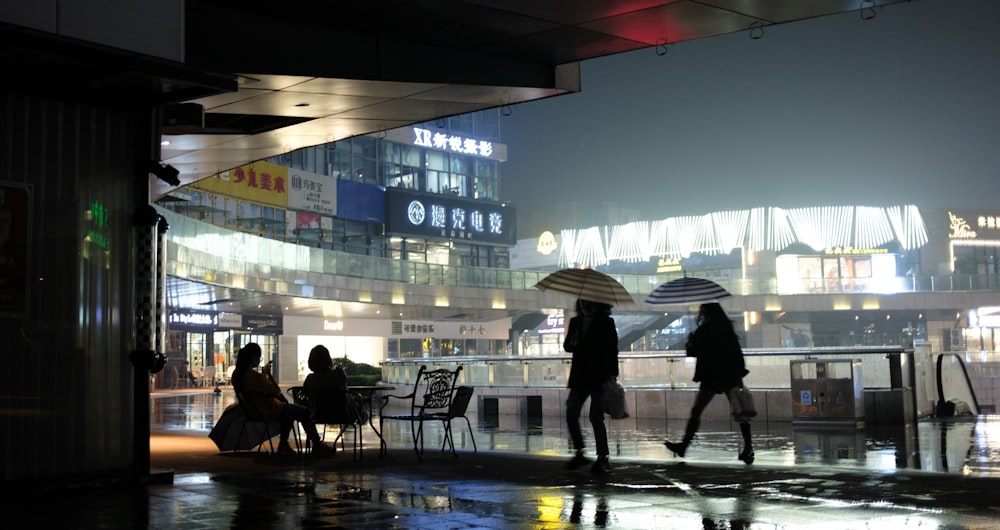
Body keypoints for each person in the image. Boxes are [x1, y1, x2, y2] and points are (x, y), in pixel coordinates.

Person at [665, 302, 754, 464]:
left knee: (705, 410)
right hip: (720, 375)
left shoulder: (712, 331)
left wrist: (692, 343)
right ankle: (748, 448)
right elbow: (696, 353)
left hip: (718, 375)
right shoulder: (715, 331)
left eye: (705, 313)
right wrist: (691, 342)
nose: (703, 316)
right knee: (734, 411)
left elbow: (732, 355)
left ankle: (685, 446)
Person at [231, 343, 332, 457]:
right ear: (253, 358)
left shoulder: (237, 375)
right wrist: (269, 376)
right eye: (259, 357)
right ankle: (316, 444)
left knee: (290, 411)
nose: (259, 360)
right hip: (271, 410)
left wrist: (263, 377)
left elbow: (260, 389)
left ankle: (285, 444)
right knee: (303, 412)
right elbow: (276, 391)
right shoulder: (255, 377)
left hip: (254, 412)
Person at [563, 298, 619, 474]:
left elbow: (612, 349)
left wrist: (612, 375)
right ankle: (581, 451)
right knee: (571, 413)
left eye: (589, 303)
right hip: (580, 377)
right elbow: (567, 346)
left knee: (596, 417)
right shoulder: (575, 322)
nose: (585, 306)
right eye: (582, 303)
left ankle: (603, 457)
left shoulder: (606, 323)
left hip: (599, 377)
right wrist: (574, 343)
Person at [302, 345, 366, 424]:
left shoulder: (309, 380)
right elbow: (344, 385)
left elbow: (305, 394)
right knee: (351, 398)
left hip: (318, 416)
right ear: (328, 359)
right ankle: (360, 415)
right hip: (342, 415)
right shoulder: (337, 374)